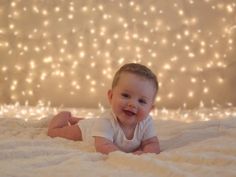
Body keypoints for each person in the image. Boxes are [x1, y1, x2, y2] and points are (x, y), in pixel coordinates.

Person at [48, 63, 160, 155]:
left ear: (150, 109)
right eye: (126, 95)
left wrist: (146, 154)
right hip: (89, 130)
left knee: (95, 122)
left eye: (142, 101)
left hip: (97, 124)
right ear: (111, 96)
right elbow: (103, 146)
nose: (132, 104)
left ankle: (76, 119)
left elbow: (152, 143)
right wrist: (125, 157)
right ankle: (64, 117)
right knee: (61, 133)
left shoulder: (146, 122)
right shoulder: (106, 120)